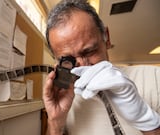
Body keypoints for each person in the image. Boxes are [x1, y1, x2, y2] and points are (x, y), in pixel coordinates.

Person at [42, 0, 160, 135]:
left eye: (89, 51)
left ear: (107, 38)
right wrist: (55, 122)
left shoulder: (155, 78)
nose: (83, 66)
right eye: (68, 60)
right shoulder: (63, 97)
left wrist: (146, 120)